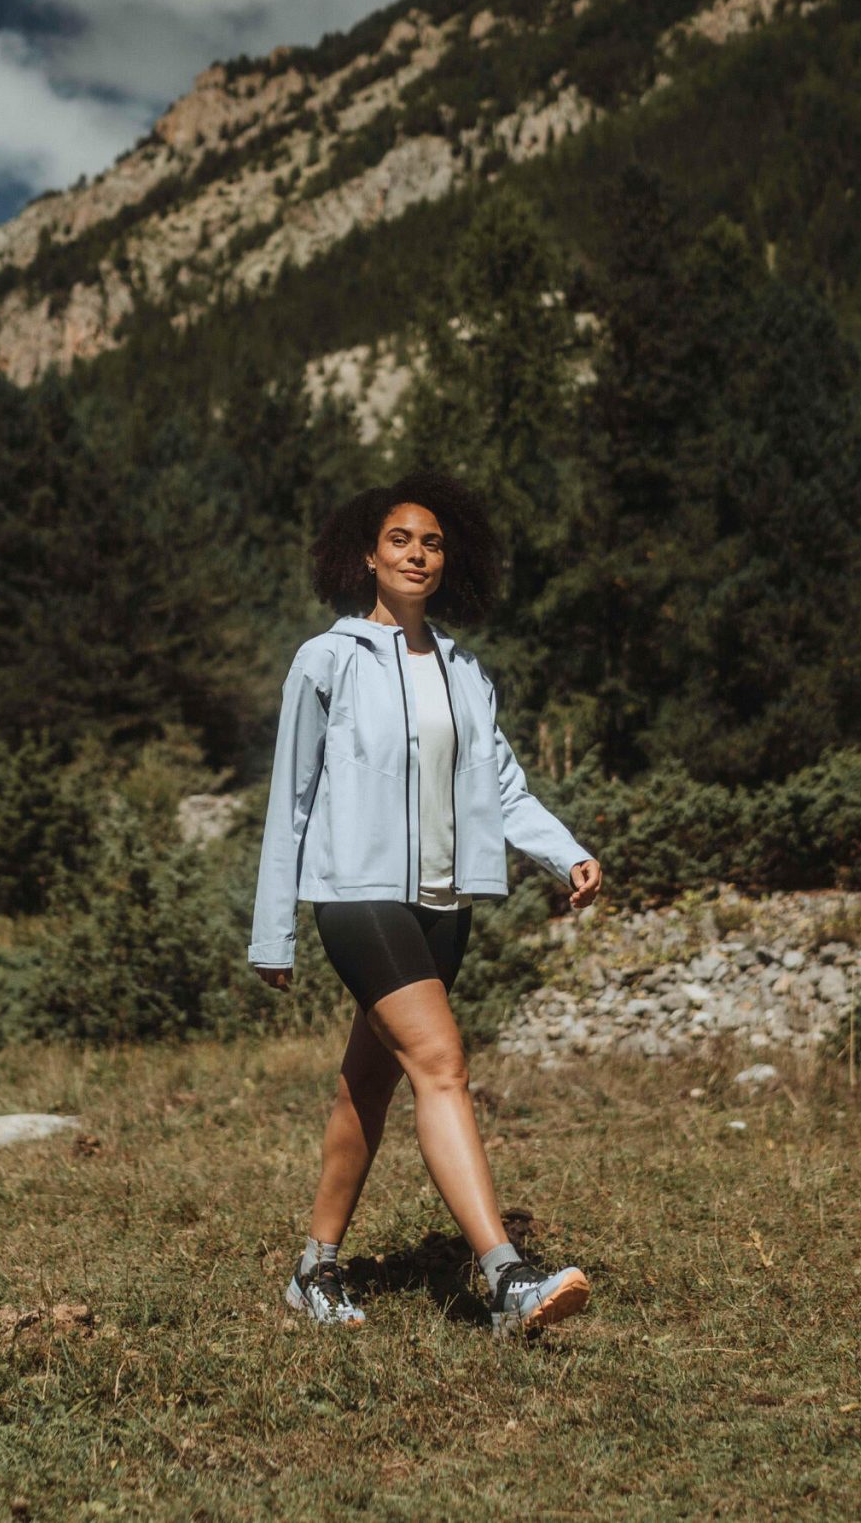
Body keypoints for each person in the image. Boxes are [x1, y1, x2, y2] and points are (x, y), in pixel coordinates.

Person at [248, 472, 605, 1335]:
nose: (417, 553)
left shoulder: (463, 670)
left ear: (450, 561)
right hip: (357, 895)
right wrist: (273, 931)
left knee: (366, 1085)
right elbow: (290, 799)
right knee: (441, 1063)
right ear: (368, 556)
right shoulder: (327, 660)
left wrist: (566, 851)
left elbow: (502, 785)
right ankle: (506, 1277)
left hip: (446, 903)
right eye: (400, 539)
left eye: (433, 542)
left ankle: (314, 1268)